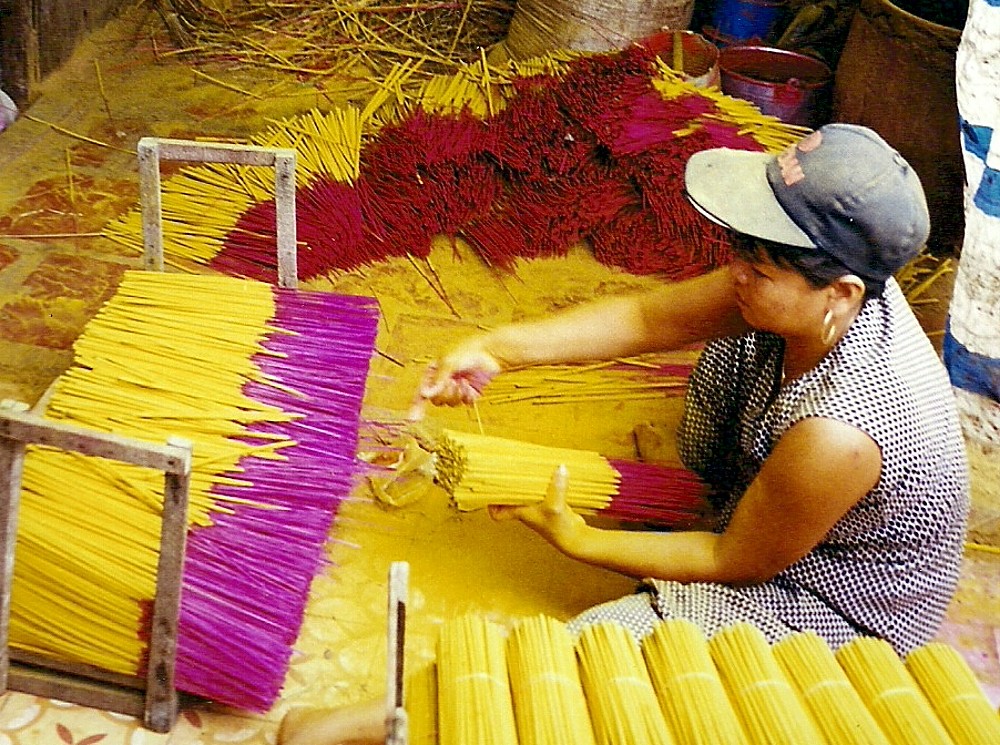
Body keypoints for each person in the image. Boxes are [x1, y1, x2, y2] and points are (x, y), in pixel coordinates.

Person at [278, 123, 970, 745]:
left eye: (759, 267)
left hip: (828, 596)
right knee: (731, 341)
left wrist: (584, 539)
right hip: (777, 509)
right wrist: (496, 349)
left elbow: (739, 560)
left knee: (604, 656)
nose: (737, 271)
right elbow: (646, 320)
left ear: (841, 291)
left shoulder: (840, 433)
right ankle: (715, 492)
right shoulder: (807, 298)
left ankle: (376, 723)